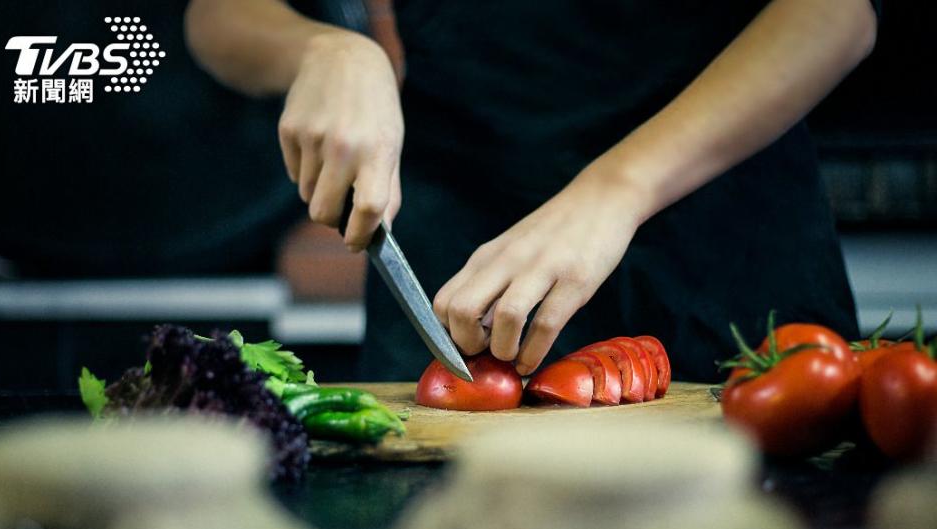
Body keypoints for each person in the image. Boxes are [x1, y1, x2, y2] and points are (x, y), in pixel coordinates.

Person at [186, 0, 878, 382]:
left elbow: (834, 14)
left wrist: (616, 188)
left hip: (732, 229)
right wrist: (328, 50)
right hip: (456, 243)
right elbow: (220, 15)